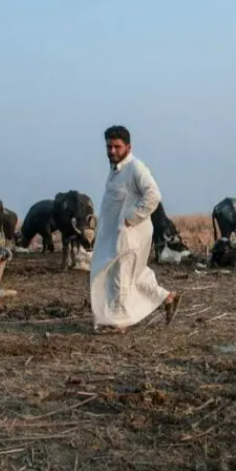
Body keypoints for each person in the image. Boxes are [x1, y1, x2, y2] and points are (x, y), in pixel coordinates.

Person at [90, 125, 180, 332]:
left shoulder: (136, 168)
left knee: (120, 276)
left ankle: (119, 322)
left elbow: (153, 195)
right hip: (114, 235)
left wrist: (132, 218)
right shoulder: (115, 171)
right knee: (136, 275)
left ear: (128, 147)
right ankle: (167, 298)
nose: (112, 151)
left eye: (117, 147)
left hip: (130, 235)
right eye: (109, 147)